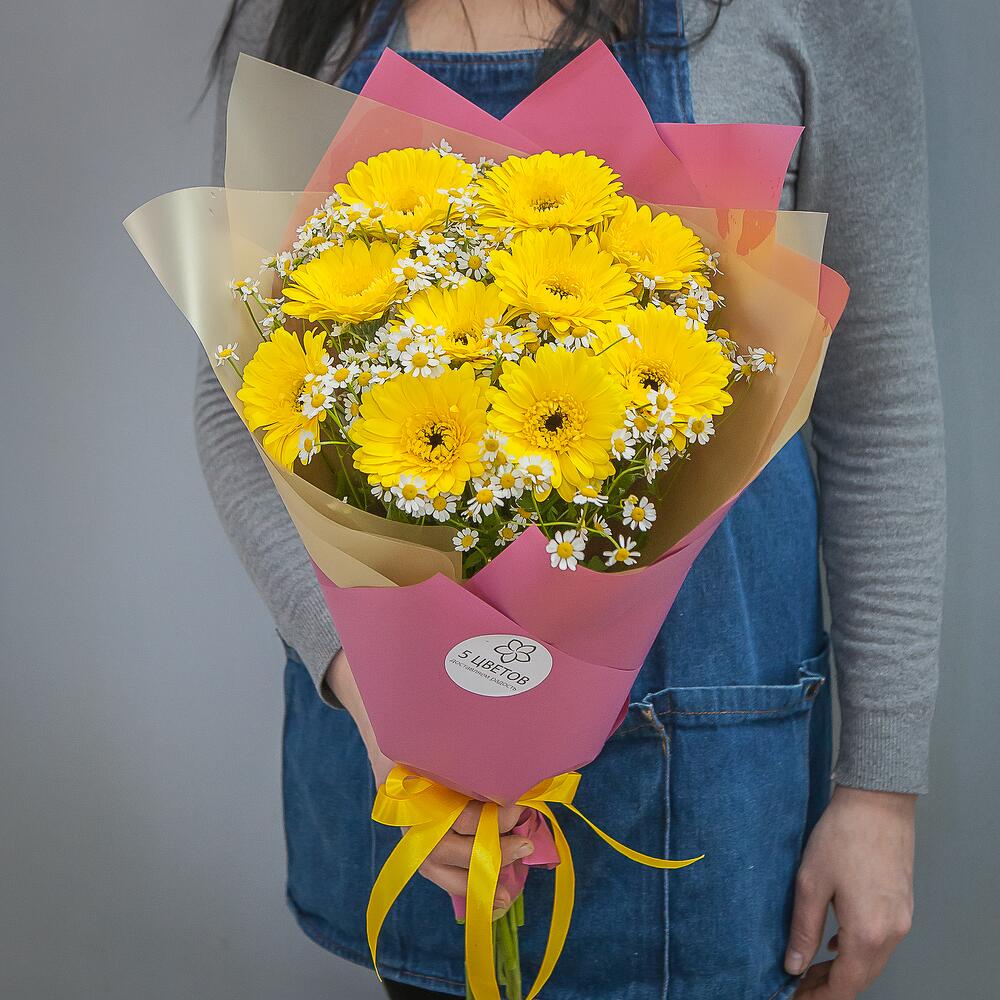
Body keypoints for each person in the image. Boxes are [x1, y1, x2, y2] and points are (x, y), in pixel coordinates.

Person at [198, 2, 945, 997]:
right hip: (415, 791)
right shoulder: (300, 19)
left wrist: (880, 790)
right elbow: (241, 403)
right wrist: (376, 696)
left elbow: (877, 404)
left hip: (706, 772)